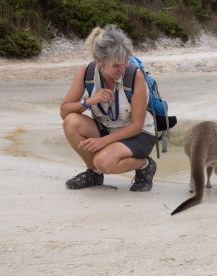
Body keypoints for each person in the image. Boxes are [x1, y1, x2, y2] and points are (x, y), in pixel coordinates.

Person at [60, 24, 157, 192]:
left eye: (125, 62)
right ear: (99, 62)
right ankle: (94, 173)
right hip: (107, 128)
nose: (122, 69)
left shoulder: (135, 76)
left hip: (138, 134)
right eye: (116, 65)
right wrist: (90, 101)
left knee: (104, 162)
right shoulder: (87, 72)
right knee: (70, 122)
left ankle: (145, 165)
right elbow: (64, 111)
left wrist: (103, 141)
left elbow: (136, 126)